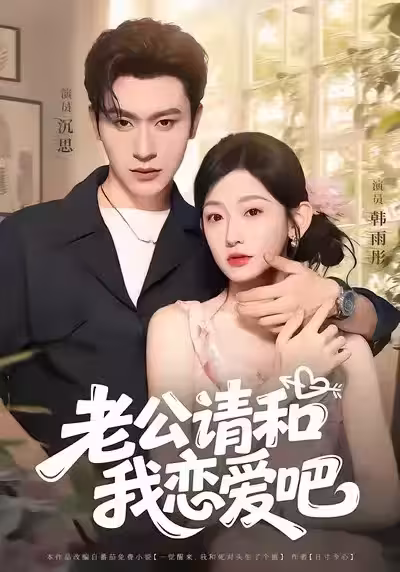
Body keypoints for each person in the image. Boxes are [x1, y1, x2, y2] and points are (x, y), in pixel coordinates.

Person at [0, 17, 398, 565]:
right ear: (94, 122)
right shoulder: (25, 240)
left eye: (166, 121)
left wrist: (337, 298)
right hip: (64, 539)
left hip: (201, 541)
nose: (144, 147)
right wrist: (47, 488)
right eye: (122, 121)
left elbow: (378, 318)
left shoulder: (221, 242)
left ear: (195, 120)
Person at [146, 132, 400, 569]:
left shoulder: (342, 343)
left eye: (253, 211)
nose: (232, 235)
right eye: (215, 217)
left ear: (296, 220)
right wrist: (286, 386)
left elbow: (384, 502)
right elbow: (177, 496)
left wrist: (264, 510)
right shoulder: (178, 329)